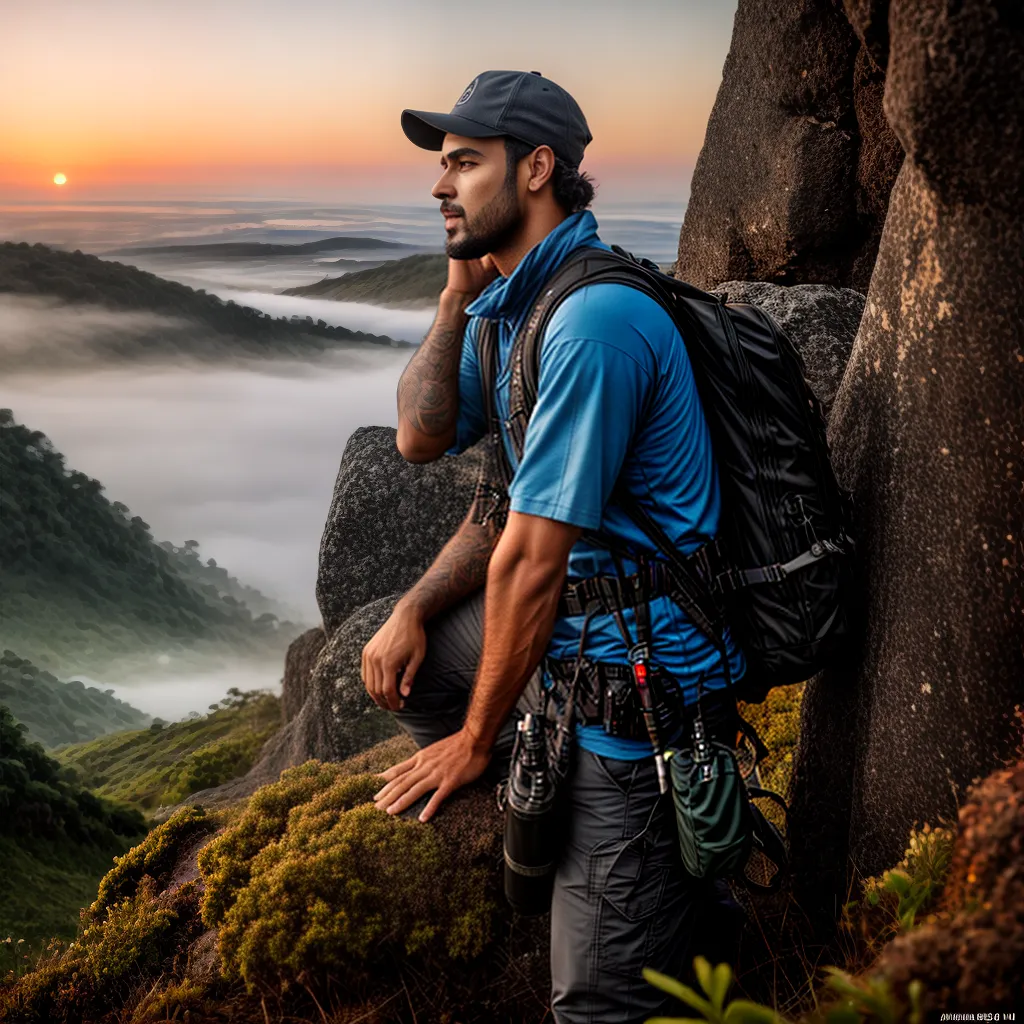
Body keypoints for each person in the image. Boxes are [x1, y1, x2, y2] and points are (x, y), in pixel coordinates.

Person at [362, 69, 745, 1023]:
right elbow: (420, 437)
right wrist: (458, 293)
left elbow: (530, 561)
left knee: (593, 1008)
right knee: (402, 657)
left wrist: (475, 741)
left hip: (636, 694)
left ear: (537, 169)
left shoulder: (593, 325)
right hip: (565, 652)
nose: (439, 187)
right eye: (440, 167)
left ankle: (653, 887)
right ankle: (607, 858)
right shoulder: (516, 310)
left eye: (462, 163)